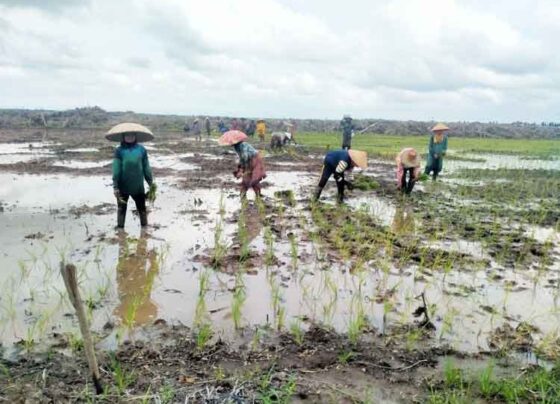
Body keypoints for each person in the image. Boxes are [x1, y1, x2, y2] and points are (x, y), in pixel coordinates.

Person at [114, 233, 160, 326]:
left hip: (134, 286)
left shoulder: (141, 291)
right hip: (134, 286)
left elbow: (152, 272)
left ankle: (140, 234)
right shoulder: (143, 291)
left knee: (128, 251)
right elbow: (152, 272)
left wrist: (153, 260)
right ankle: (141, 234)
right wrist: (153, 261)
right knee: (129, 253)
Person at [112, 132, 154, 229]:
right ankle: (120, 233)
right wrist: (115, 186)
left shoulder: (141, 150)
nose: (130, 137)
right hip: (123, 187)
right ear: (123, 137)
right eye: (127, 135)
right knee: (121, 209)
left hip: (138, 187)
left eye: (132, 135)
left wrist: (151, 183)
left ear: (136, 136)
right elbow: (116, 169)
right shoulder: (119, 151)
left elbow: (146, 167)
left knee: (142, 209)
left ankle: (144, 232)